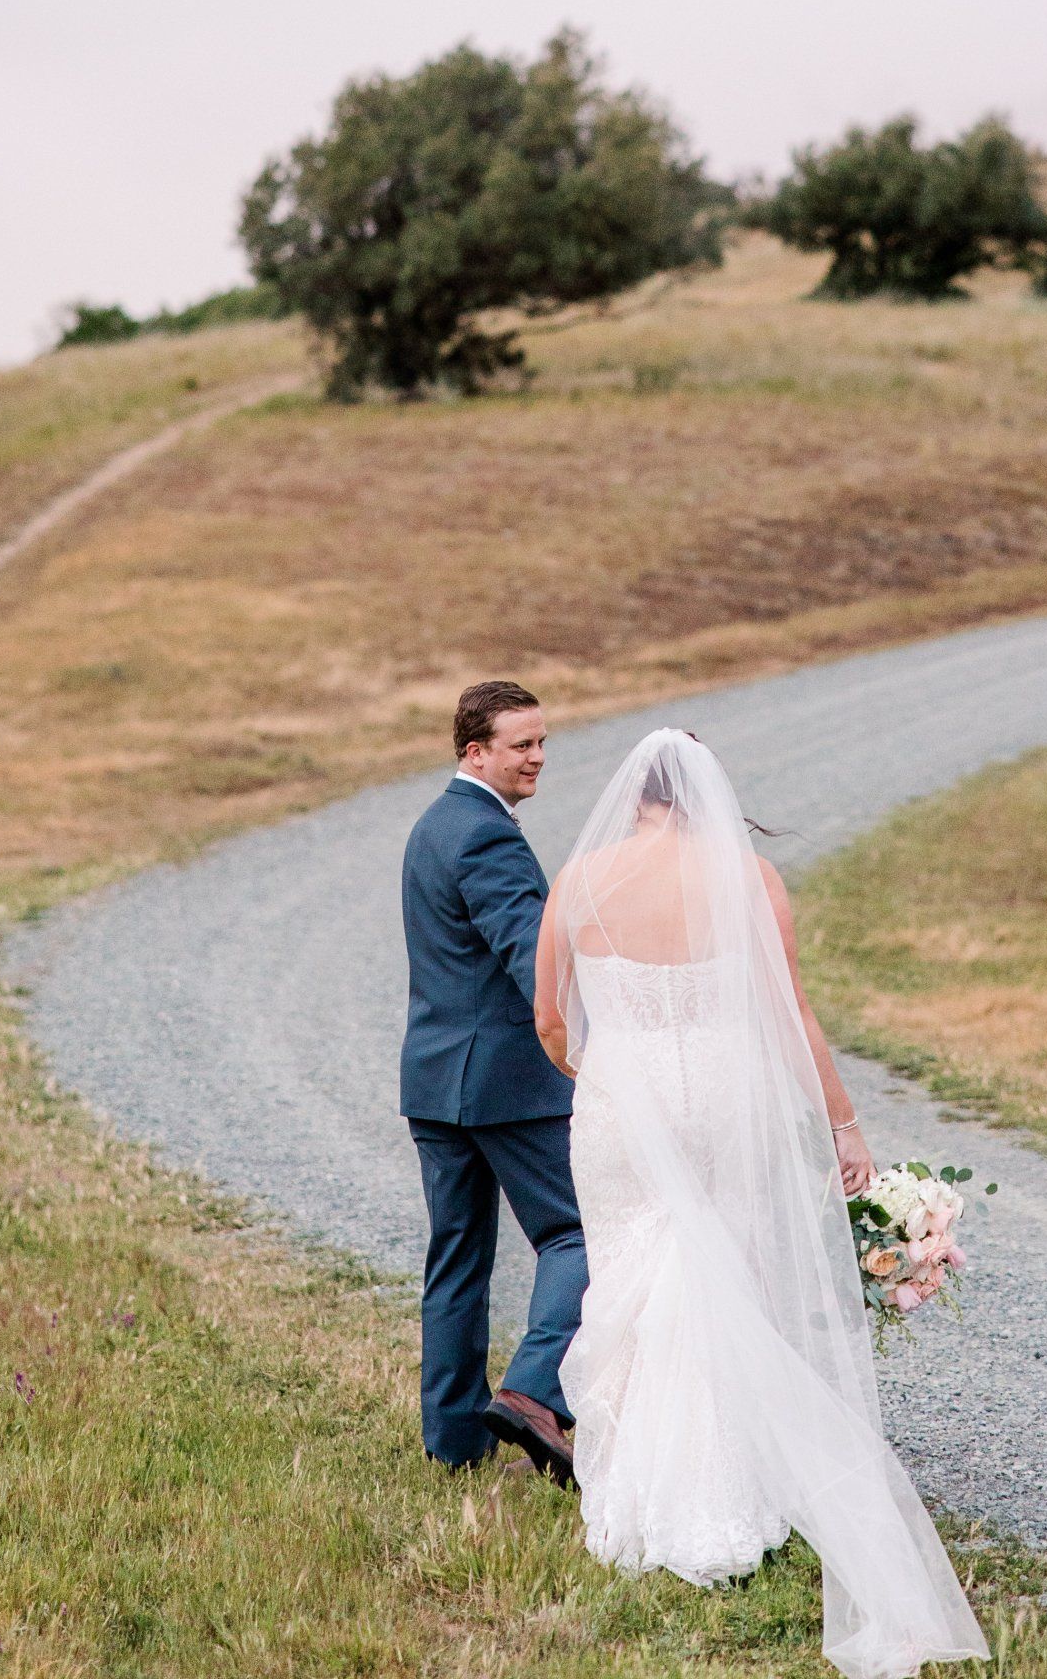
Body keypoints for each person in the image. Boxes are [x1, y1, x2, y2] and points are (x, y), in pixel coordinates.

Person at [535, 726, 987, 1679]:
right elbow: (793, 1015)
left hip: (623, 1101)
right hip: (729, 1096)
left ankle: (642, 1487)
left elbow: (548, 1016)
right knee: (726, 1274)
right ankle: (731, 1482)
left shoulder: (579, 879)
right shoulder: (752, 881)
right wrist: (845, 1124)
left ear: (634, 794)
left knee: (633, 1274)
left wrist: (606, 1074)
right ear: (703, 791)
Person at [398, 678, 587, 1478]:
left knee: (457, 1260)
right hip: (506, 1085)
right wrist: (589, 1040)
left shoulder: (434, 825)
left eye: (542, 742)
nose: (538, 757)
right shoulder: (486, 835)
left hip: (438, 1082)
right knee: (582, 1234)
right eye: (522, 745)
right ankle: (531, 1392)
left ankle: (453, 1446)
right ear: (475, 750)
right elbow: (529, 957)